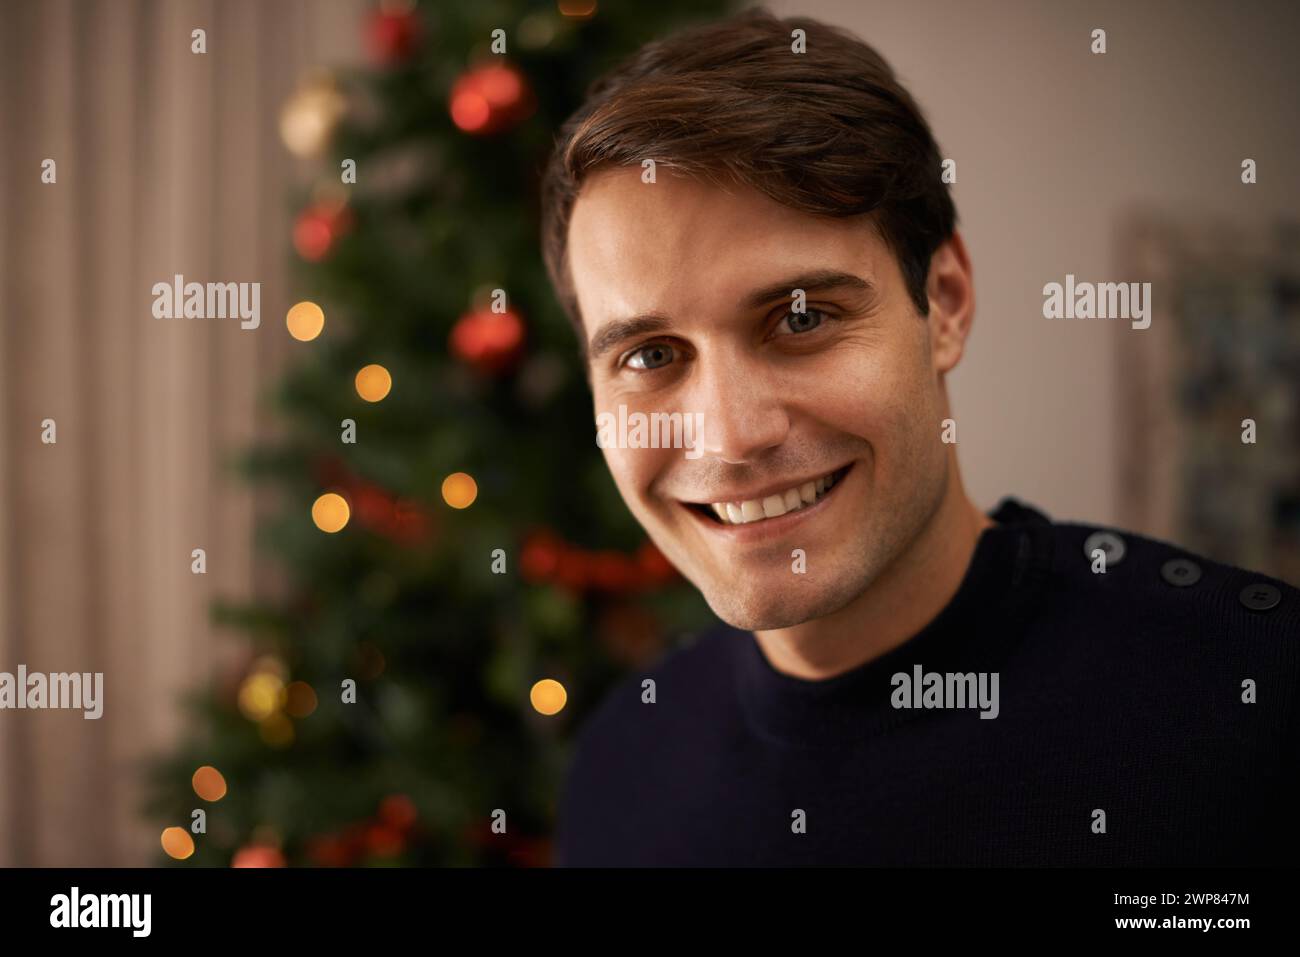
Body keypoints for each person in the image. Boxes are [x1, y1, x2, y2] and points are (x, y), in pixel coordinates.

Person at [538, 7, 1299, 866]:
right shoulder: (619, 766)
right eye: (650, 354)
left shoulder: (1257, 695)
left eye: (800, 317)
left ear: (943, 302)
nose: (731, 434)